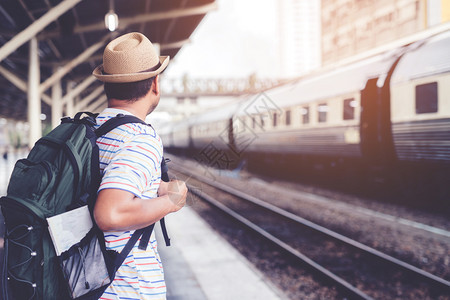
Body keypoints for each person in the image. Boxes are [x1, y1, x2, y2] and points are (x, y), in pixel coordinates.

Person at [92, 32, 188, 299]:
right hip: (125, 288)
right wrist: (175, 198)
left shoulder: (95, 129)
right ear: (155, 83)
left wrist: (156, 186)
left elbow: (107, 178)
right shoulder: (139, 138)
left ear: (107, 85)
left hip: (91, 282)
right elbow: (109, 214)